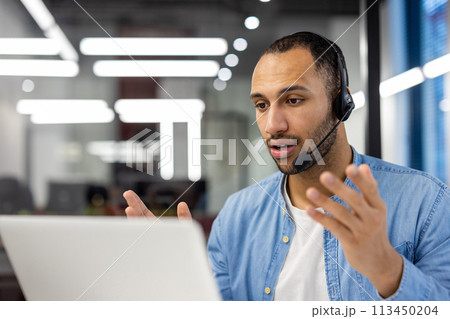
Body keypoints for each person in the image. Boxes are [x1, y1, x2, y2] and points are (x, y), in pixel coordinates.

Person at [123, 32, 450, 301]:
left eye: (293, 100)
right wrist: (180, 284)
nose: (272, 125)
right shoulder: (238, 215)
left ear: (342, 103)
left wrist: (388, 272)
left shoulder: (428, 203)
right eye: (262, 105)